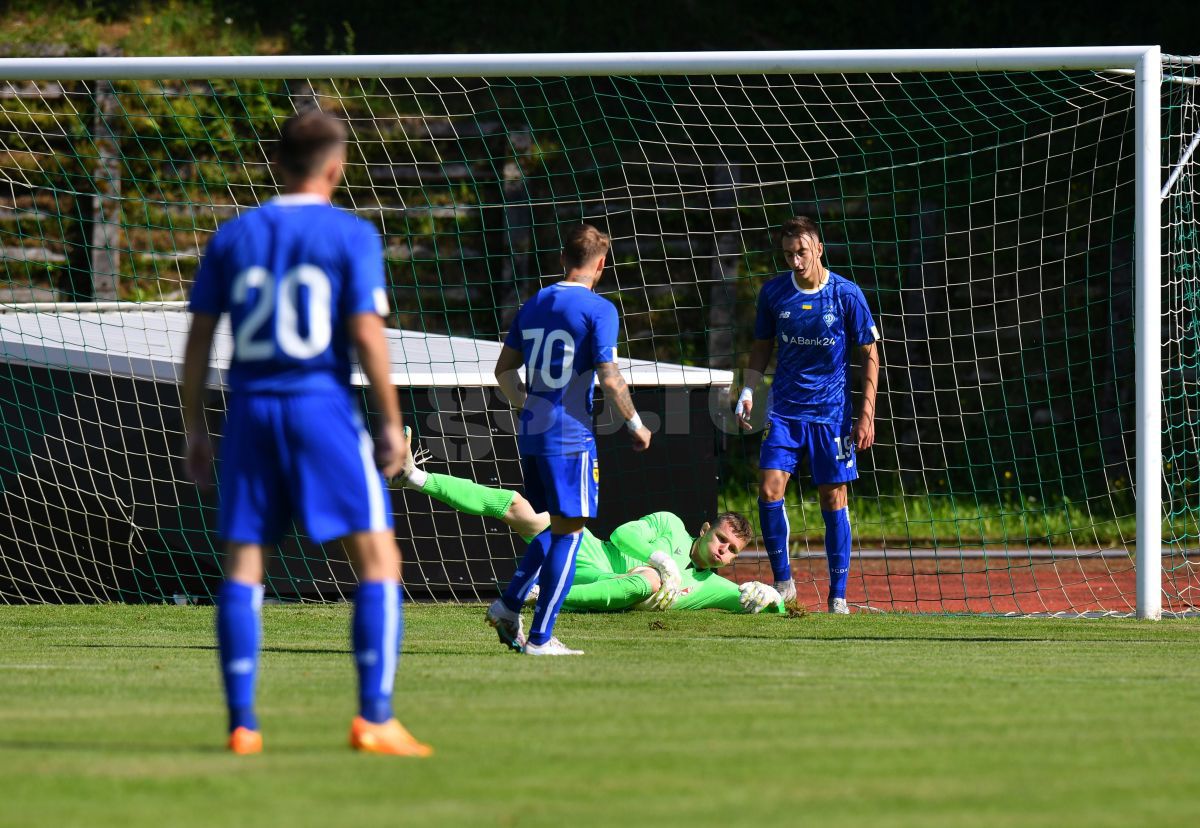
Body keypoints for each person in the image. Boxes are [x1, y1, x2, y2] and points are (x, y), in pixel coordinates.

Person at [181, 109, 431, 757]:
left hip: (252, 409)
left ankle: (243, 725)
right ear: (335, 166)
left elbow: (199, 342)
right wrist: (392, 422)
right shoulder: (351, 235)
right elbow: (367, 336)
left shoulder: (234, 235)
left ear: (275, 163)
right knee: (378, 560)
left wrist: (195, 430)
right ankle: (373, 718)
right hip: (320, 408)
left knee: (244, 564)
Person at [486, 223, 653, 655]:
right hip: (570, 436)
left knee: (555, 525)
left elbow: (502, 371)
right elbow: (610, 377)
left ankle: (508, 605)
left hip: (533, 431)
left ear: (563, 259)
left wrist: (528, 404)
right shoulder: (599, 309)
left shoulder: (536, 301)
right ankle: (540, 638)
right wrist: (635, 423)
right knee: (571, 532)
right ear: (601, 263)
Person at [394, 431, 784, 615]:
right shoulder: (670, 524)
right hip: (590, 551)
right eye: (721, 539)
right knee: (519, 507)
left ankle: (540, 595)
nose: (722, 550)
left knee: (649, 581)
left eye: (732, 551)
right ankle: (413, 476)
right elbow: (621, 533)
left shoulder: (711, 586)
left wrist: (774, 599)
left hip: (604, 585)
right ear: (704, 530)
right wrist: (660, 558)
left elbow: (757, 606)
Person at [735, 216, 880, 614]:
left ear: (818, 249)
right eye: (788, 254)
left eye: (801, 252)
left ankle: (839, 596)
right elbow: (762, 346)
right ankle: (784, 583)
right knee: (768, 489)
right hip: (784, 412)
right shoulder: (774, 293)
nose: (795, 261)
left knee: (833, 498)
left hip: (832, 416)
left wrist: (865, 416)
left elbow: (870, 356)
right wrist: (748, 389)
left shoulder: (846, 295)